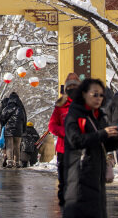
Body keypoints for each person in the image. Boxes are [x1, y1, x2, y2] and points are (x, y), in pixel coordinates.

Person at [63, 78, 118, 218]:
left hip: (97, 176)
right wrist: (102, 134)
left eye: (101, 95)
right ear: (84, 94)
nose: (99, 98)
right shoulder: (75, 115)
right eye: (95, 94)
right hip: (80, 175)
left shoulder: (98, 116)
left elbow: (103, 144)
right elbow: (76, 140)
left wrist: (116, 137)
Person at [48, 72, 81, 206]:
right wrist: (65, 132)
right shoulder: (60, 105)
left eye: (75, 86)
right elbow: (52, 126)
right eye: (70, 87)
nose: (73, 89)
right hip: (63, 148)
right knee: (63, 178)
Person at [0, 91, 27, 168]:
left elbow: (2, 116)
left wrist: (4, 124)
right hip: (18, 130)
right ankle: (17, 162)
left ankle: (10, 162)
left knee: (9, 146)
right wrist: (23, 129)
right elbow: (24, 120)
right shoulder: (21, 109)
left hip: (9, 130)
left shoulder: (8, 108)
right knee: (17, 147)